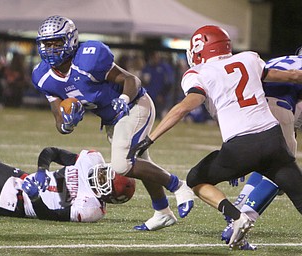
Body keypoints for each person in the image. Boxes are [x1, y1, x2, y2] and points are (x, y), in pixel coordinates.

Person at [129, 25, 302, 248]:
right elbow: (294, 76)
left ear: (200, 50)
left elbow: (183, 108)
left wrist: (149, 139)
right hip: (273, 141)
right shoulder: (249, 59)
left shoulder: (198, 73)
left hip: (239, 147)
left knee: (195, 179)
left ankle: (237, 217)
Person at [31, 15, 194, 231]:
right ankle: (162, 211)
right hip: (111, 119)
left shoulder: (89, 58)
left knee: (122, 164)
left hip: (134, 106)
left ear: (70, 40)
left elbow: (131, 80)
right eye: (46, 43)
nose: (51, 49)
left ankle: (179, 186)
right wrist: (67, 124)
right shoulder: (42, 76)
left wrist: (124, 99)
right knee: (140, 163)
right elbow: (59, 120)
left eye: (57, 42)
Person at [221, 51, 302, 250]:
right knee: (281, 173)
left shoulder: (277, 60)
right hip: (278, 107)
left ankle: (238, 209)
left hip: (250, 109)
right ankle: (241, 221)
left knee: (267, 163)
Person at [0, 146, 134, 222]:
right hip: (17, 177)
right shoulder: (92, 160)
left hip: (17, 202)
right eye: (103, 173)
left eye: (103, 180)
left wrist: (36, 198)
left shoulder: (91, 209)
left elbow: (51, 216)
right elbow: (52, 152)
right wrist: (42, 170)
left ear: (109, 196)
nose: (98, 176)